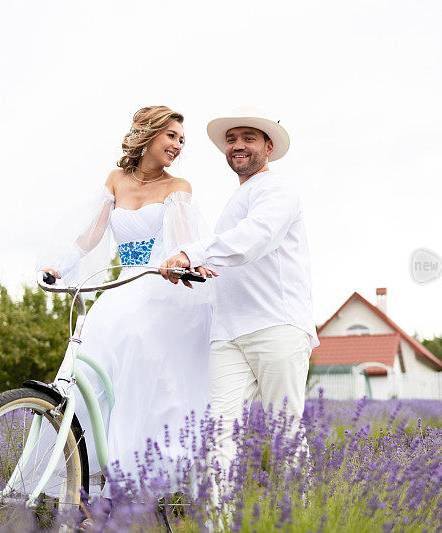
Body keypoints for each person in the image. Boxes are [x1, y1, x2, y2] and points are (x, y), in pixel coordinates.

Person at [38, 106, 215, 496]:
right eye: (171, 136)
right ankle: (83, 485)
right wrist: (60, 266)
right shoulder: (116, 180)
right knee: (90, 365)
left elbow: (184, 240)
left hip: (162, 289)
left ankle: (133, 487)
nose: (178, 145)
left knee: (141, 371)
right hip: (122, 289)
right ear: (147, 134)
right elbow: (90, 235)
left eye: (182, 140)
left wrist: (187, 264)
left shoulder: (178, 187)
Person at [160, 106, 319, 491]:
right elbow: (233, 259)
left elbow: (254, 238)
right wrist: (195, 270)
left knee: (285, 435)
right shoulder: (239, 197)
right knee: (219, 437)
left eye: (248, 138)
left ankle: (301, 521)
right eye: (231, 140)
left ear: (268, 146)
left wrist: (192, 254)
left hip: (277, 326)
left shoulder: (278, 189)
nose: (237, 146)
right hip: (228, 332)